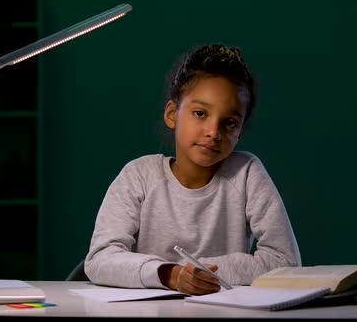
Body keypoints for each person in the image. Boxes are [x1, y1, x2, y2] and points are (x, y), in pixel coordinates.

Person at [84, 43, 301, 295]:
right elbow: (100, 258)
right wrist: (170, 274)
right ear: (172, 114)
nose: (213, 132)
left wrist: (203, 273)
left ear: (240, 131)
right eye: (200, 113)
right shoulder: (139, 176)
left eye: (230, 123)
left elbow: (285, 262)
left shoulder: (246, 173)